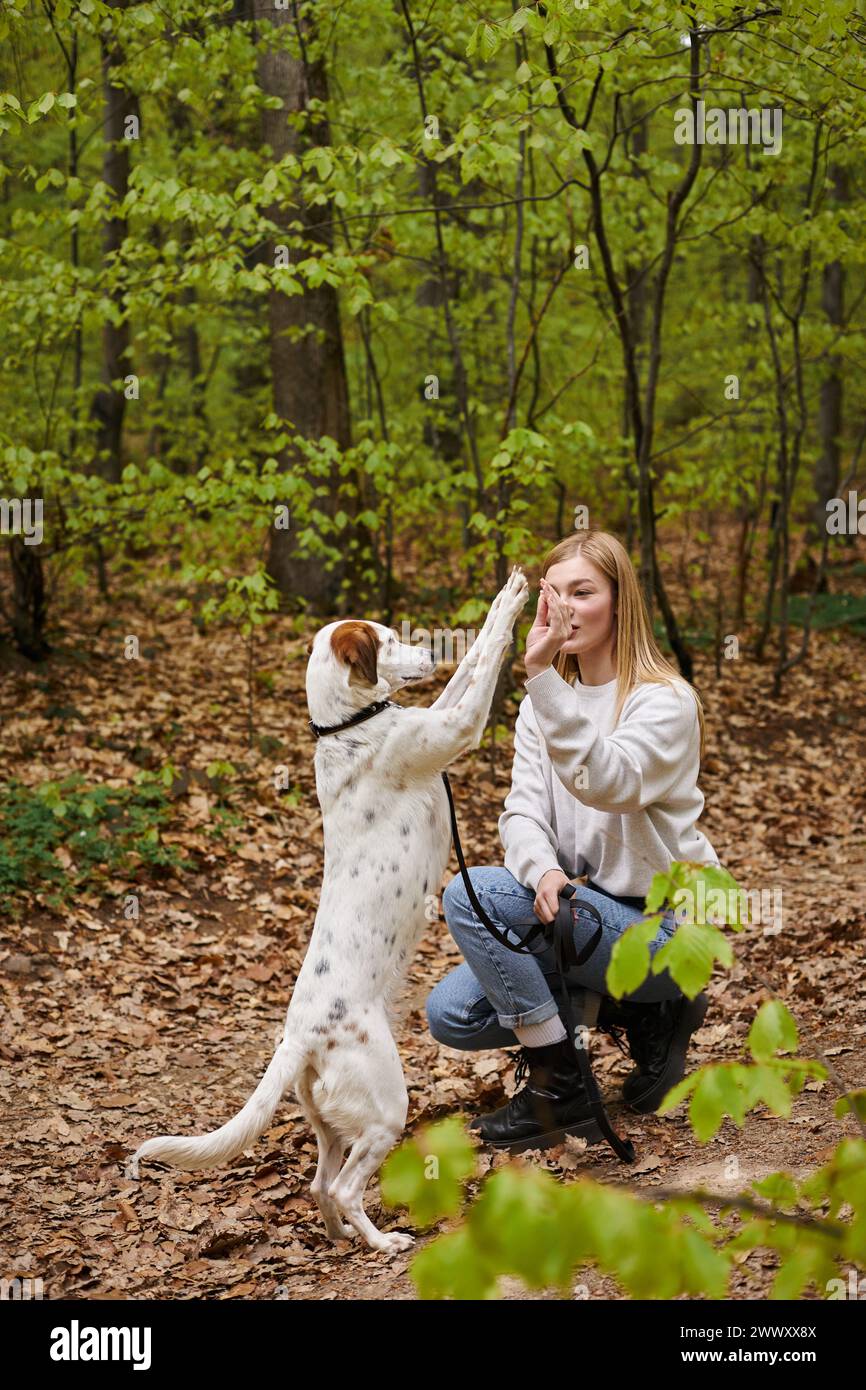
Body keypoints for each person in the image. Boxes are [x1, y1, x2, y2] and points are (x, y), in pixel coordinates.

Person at [425, 529, 721, 1151]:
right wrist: (543, 872)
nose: (563, 610)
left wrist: (538, 672)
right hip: (585, 914)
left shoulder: (665, 701)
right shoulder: (541, 706)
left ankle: (561, 1085)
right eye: (552, 594)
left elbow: (605, 779)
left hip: (667, 928)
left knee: (470, 891)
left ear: (620, 602)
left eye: (582, 593)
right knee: (453, 1013)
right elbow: (522, 814)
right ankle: (638, 1013)